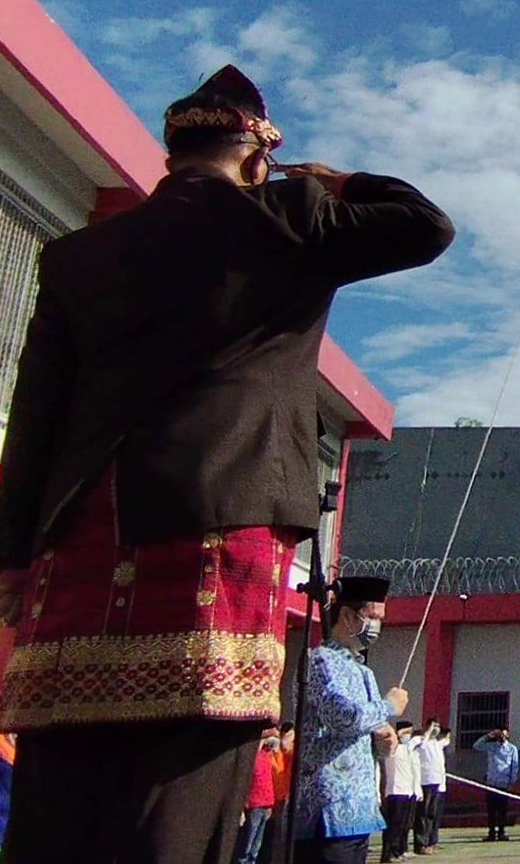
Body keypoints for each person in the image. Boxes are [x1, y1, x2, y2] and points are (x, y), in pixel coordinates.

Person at [0, 65, 451, 864]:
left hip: (80, 549)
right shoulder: (286, 218)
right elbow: (423, 224)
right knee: (181, 804)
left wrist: (10, 563)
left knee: (58, 806)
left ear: (170, 154)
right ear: (255, 156)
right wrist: (336, 181)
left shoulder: (77, 258)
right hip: (212, 535)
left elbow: (33, 426)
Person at [293, 576, 411, 864]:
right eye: (372, 617)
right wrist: (388, 706)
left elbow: (363, 730)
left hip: (361, 810)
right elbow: (342, 717)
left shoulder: (363, 672)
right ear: (347, 615)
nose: (377, 626)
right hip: (328, 808)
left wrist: (382, 741)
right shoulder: (319, 661)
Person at [236, 730, 281, 864]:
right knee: (249, 837)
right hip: (255, 804)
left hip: (267, 803)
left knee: (258, 840)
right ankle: (243, 860)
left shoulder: (268, 756)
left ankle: (252, 860)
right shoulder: (254, 758)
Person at [380, 721, 418, 863]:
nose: (408, 735)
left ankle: (398, 851)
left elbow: (419, 740)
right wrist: (397, 734)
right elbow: (389, 745)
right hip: (395, 791)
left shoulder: (407, 750)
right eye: (406, 732)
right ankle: (387, 853)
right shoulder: (392, 749)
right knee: (393, 825)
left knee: (402, 825)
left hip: (406, 791)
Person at [472, 727, 518, 842]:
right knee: (491, 810)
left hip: (504, 783)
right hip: (491, 782)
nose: (502, 737)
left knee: (502, 810)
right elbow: (476, 746)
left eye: (504, 735)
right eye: (499, 735)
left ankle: (501, 832)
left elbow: (514, 767)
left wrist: (512, 782)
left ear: (508, 735)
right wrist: (488, 736)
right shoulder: (492, 746)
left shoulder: (512, 749)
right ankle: (491, 833)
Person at [262, 722, 296, 864]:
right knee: (271, 836)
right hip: (271, 797)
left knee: (280, 836)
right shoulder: (270, 749)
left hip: (284, 796)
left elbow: (286, 746)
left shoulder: (291, 749)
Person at [414, 720, 449, 855]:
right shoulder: (421, 742)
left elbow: (446, 740)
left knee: (431, 814)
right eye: (434, 726)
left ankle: (429, 841)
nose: (436, 729)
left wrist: (445, 733)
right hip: (426, 782)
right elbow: (421, 745)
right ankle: (420, 843)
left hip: (436, 782)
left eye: (437, 727)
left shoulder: (436, 744)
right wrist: (428, 731)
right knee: (423, 814)